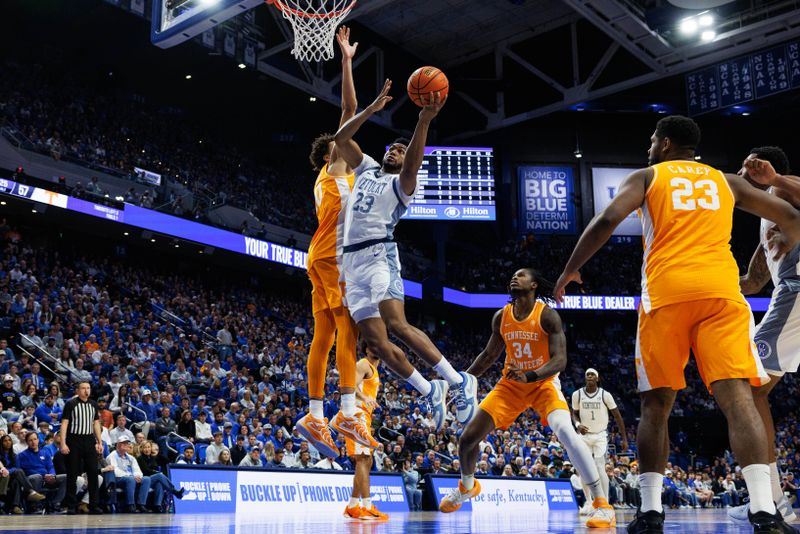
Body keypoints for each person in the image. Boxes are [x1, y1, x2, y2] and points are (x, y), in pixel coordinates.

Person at [553, 115, 800, 533]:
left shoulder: (649, 175)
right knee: (740, 399)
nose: (650, 145)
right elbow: (791, 216)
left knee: (656, 404)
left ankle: (650, 512)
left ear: (666, 144)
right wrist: (790, 234)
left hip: (666, 295)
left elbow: (607, 220)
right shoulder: (728, 182)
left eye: (653, 139)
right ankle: (764, 509)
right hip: (722, 295)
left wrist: (569, 270)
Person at [333, 80, 477, 433]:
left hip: (379, 254)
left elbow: (413, 162)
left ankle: (457, 380)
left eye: (402, 149)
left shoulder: (403, 186)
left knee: (396, 324)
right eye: (393, 147)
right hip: (351, 264)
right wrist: (370, 110)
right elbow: (340, 140)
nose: (396, 151)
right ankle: (430, 389)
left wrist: (424, 120)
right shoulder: (366, 168)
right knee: (377, 344)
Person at [438, 268, 615, 528]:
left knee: (566, 432)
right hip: (510, 385)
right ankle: (467, 486)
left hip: (542, 382)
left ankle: (602, 505)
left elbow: (560, 360)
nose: (514, 277)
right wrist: (459, 381)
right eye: (512, 274)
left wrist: (531, 375)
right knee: (467, 439)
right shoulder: (501, 316)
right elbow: (488, 356)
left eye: (521, 275)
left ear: (533, 285)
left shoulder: (548, 316)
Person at [297, 26, 375, 459]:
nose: (348, 144)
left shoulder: (331, 177)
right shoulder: (334, 168)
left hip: (323, 257)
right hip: (331, 257)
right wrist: (346, 60)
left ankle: (314, 413)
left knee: (324, 337)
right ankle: (346, 409)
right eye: (341, 143)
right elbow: (349, 107)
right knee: (348, 328)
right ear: (332, 152)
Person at [731, 147, 800, 525]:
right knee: (750, 388)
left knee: (748, 385)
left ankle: (770, 499)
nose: (744, 171)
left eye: (751, 166)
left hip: (797, 291)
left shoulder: (784, 191)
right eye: (744, 166)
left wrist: (773, 179)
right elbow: (753, 282)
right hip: (787, 292)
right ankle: (768, 497)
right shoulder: (767, 215)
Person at [572, 368, 628, 515]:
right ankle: (589, 502)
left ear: (597, 378)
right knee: (584, 468)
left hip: (600, 436)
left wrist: (624, 438)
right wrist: (578, 425)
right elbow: (574, 414)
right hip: (584, 436)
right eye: (587, 375)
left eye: (592, 375)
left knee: (599, 466)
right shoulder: (577, 394)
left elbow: (617, 416)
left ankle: (604, 502)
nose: (590, 377)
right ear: (585, 378)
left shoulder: (605, 395)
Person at [343, 346, 388, 521]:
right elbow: (350, 385)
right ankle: (367, 506)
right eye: (372, 345)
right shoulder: (363, 364)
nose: (377, 348)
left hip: (364, 415)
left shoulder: (375, 369)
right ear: (367, 349)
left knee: (366, 460)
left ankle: (353, 505)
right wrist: (364, 398)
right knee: (363, 458)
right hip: (356, 413)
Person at [59, 380, 103, 514]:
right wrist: (63, 442)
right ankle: (71, 505)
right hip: (74, 439)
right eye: (83, 388)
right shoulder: (71, 403)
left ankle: (93, 504)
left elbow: (96, 424)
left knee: (93, 473)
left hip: (89, 440)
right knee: (72, 473)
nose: (86, 391)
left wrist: (99, 442)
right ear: (77, 390)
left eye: (88, 388)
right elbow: (64, 424)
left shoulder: (93, 404)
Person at [18, 431, 67, 512]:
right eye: (30, 440)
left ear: (38, 440)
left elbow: (50, 466)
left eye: (35, 439)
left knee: (66, 477)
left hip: (47, 478)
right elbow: (26, 470)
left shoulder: (45, 452)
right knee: (37, 477)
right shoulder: (22, 455)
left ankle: (55, 503)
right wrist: (44, 475)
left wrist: (52, 475)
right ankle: (35, 505)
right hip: (32, 479)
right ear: (27, 442)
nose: (33, 442)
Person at [136, 441, 184, 512]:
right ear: (142, 449)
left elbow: (167, 461)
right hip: (144, 480)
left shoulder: (152, 458)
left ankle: (157, 505)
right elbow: (146, 471)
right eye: (145, 448)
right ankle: (175, 492)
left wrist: (157, 453)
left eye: (149, 447)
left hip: (152, 480)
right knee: (159, 476)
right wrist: (156, 472)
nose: (147, 449)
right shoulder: (140, 458)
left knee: (160, 483)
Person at [107, 436, 151, 513]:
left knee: (146, 479)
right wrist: (132, 476)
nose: (126, 445)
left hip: (131, 479)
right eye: (123, 443)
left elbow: (137, 470)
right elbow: (115, 471)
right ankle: (130, 505)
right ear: (118, 445)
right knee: (130, 479)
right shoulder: (112, 455)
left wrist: (137, 476)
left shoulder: (131, 458)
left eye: (126, 443)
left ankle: (141, 505)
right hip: (117, 479)